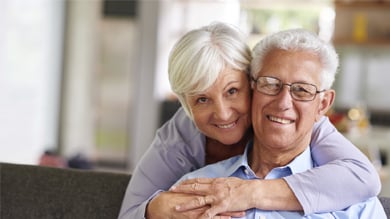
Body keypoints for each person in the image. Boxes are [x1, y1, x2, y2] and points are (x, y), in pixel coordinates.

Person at [118, 22, 380, 219]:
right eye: (271, 84)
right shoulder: (193, 183)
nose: (222, 113)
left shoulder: (353, 196)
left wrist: (250, 192)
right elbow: (130, 212)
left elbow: (365, 178)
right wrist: (156, 208)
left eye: (232, 91)